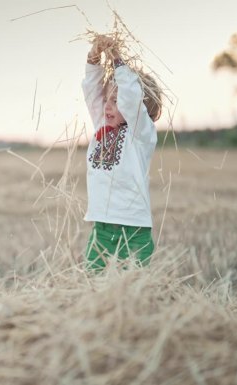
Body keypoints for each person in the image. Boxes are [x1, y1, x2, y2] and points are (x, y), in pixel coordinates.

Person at [82, 36, 163, 271]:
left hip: (133, 229)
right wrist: (94, 58)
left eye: (115, 101)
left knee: (135, 288)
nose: (107, 106)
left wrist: (117, 59)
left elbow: (131, 99)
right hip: (102, 227)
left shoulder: (140, 134)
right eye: (107, 99)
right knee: (93, 281)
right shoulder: (102, 126)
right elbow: (91, 91)